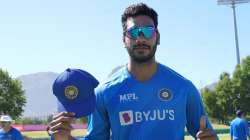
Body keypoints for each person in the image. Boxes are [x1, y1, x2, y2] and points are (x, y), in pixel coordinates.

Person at [48, 3, 217, 140]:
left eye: (148, 31)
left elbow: (206, 135)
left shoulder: (184, 88)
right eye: (133, 32)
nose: (141, 37)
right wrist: (66, 139)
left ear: (157, 37)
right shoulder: (104, 93)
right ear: (124, 39)